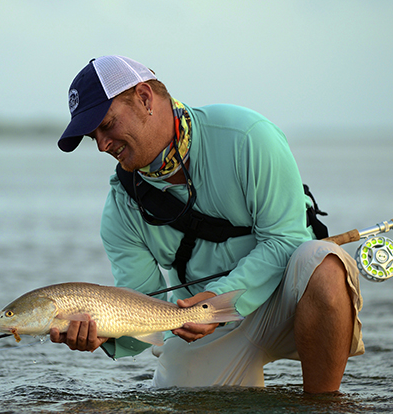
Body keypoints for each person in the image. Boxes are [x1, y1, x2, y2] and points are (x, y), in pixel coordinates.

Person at [52, 55, 364, 394]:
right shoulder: (120, 208)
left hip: (285, 304)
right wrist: (104, 334)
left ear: (144, 98)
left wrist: (213, 301)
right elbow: (139, 300)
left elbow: (284, 239)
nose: (101, 145)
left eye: (106, 124)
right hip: (198, 326)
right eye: (91, 135)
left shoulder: (248, 136)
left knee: (321, 260)